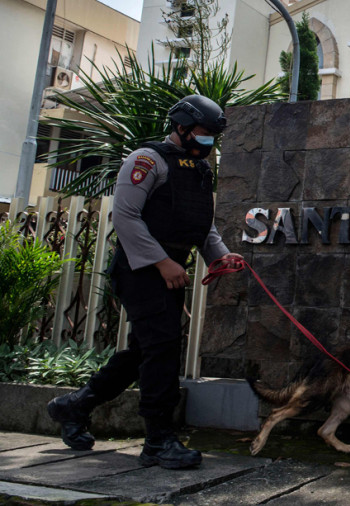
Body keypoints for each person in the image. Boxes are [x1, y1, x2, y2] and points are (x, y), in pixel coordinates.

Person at [47, 95, 243, 469]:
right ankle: (158, 440)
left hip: (170, 270)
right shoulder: (146, 160)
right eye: (203, 134)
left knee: (147, 349)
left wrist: (220, 256)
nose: (208, 142)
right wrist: (162, 262)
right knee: (163, 348)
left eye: (211, 137)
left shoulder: (199, 169)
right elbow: (126, 217)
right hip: (140, 270)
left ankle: (73, 406)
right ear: (183, 128)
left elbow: (201, 225)